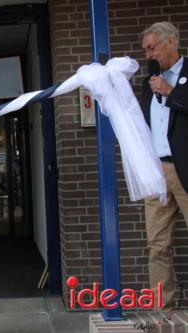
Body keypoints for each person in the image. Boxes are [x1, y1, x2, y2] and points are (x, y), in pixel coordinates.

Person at [140, 22, 188, 310]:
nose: (147, 54)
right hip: (156, 174)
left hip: (184, 170)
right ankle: (163, 313)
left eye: (151, 47)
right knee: (157, 246)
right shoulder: (149, 82)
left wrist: (172, 92)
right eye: (145, 49)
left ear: (171, 42)